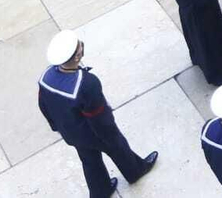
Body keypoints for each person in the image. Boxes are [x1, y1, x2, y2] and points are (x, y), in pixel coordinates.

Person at [37, 30, 158, 198]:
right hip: (95, 134)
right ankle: (135, 171)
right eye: (79, 45)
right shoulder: (87, 83)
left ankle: (101, 191)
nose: (81, 44)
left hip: (71, 134)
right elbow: (99, 119)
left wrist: (57, 127)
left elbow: (43, 105)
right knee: (119, 149)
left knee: (89, 161)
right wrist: (111, 137)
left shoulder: (45, 77)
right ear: (77, 56)